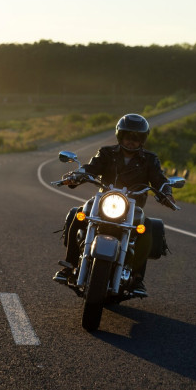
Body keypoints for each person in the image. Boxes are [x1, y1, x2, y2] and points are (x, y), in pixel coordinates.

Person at [53, 113, 178, 297]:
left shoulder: (150, 159)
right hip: (105, 201)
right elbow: (91, 167)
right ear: (120, 135)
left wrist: (166, 192)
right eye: (128, 136)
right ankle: (70, 264)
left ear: (143, 139)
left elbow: (159, 179)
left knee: (147, 227)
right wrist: (75, 176)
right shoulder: (106, 153)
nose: (131, 141)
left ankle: (137, 277)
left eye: (137, 138)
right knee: (78, 214)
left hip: (132, 207)